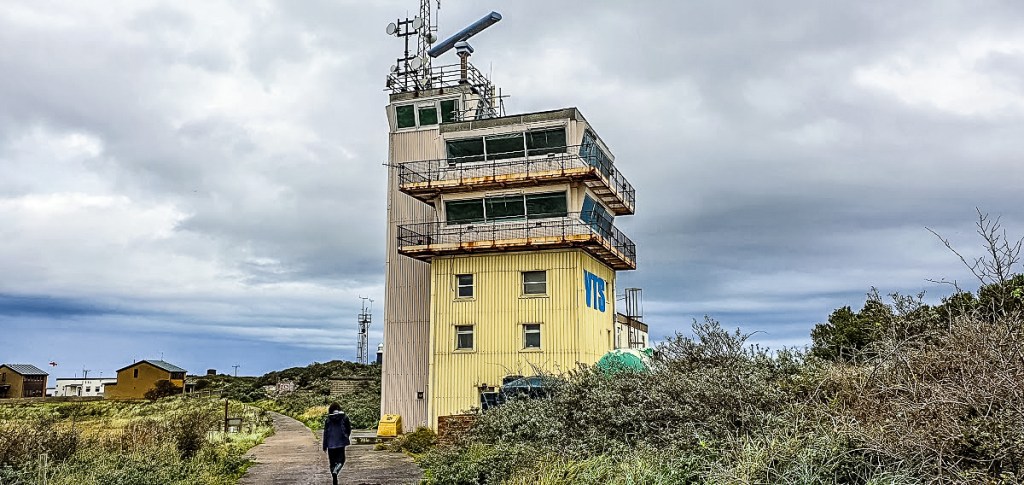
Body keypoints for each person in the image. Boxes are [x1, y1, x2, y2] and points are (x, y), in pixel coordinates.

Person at [323, 402, 352, 485]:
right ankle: (337, 470)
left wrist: (324, 445)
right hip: (340, 443)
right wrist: (346, 437)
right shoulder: (344, 417)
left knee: (332, 463)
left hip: (330, 444)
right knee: (341, 460)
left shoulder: (328, 419)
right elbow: (348, 429)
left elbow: (326, 433)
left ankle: (334, 479)